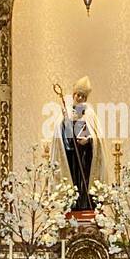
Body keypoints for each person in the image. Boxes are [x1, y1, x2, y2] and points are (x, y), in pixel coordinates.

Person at [49, 76, 106, 212]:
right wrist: (65, 121)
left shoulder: (90, 114)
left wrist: (89, 140)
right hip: (71, 157)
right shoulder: (66, 112)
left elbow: (98, 137)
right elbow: (60, 134)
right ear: (74, 95)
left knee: (84, 184)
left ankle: (86, 206)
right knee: (73, 182)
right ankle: (73, 206)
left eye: (83, 96)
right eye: (78, 95)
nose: (80, 98)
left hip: (85, 157)